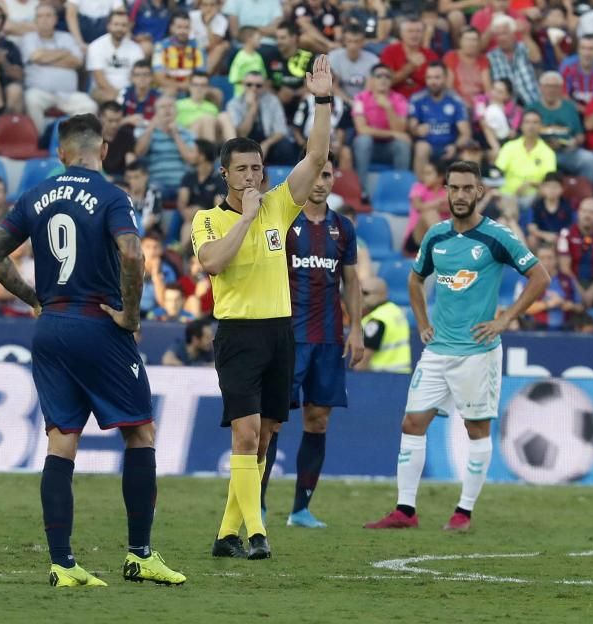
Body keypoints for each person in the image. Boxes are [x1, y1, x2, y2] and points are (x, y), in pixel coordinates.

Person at [0, 113, 188, 587]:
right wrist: (131, 316)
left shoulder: (35, 196)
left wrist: (34, 299)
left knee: (61, 441)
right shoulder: (113, 196)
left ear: (60, 153)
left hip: (51, 327)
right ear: (104, 150)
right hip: (98, 324)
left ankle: (63, 564)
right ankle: (140, 555)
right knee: (140, 432)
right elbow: (133, 253)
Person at [190, 55, 333, 560]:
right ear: (225, 174)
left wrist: (321, 102)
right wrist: (246, 220)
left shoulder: (278, 201)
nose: (251, 176)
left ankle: (227, 533)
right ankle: (256, 533)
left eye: (257, 168)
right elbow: (213, 264)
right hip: (239, 334)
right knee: (246, 432)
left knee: (266, 435)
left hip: (279, 331)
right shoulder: (207, 219)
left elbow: (316, 159)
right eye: (242, 169)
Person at [364, 160, 549, 532]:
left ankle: (463, 512)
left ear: (479, 192)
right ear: (445, 191)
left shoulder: (496, 237)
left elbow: (539, 277)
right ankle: (405, 510)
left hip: (477, 352)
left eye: (468, 188)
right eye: (454, 188)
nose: (460, 195)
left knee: (476, 429)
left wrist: (505, 318)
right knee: (412, 423)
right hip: (438, 350)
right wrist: (423, 323)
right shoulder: (436, 236)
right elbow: (416, 281)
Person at [259, 155, 364, 529]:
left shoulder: (343, 228)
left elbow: (351, 282)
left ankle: (301, 509)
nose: (320, 182)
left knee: (318, 421)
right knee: (270, 422)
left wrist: (357, 328)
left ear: (334, 179)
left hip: (328, 340)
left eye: (326, 175)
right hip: (287, 337)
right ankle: (258, 504)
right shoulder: (285, 223)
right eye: (315, 175)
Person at [21, 3, 98, 133]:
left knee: (90, 106)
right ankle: (42, 137)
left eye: (48, 16)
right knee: (30, 98)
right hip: (40, 92)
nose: (44, 19)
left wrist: (44, 58)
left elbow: (76, 61)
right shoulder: (28, 38)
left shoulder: (67, 37)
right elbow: (35, 57)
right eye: (40, 16)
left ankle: (73, 141)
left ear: (56, 19)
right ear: (35, 20)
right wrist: (64, 53)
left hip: (68, 94)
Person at [530, 71, 593, 201]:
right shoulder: (532, 107)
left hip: (565, 152)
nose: (551, 90)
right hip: (539, 153)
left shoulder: (569, 107)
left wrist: (572, 143)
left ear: (560, 89)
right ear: (541, 87)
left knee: (589, 159)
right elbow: (526, 133)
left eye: (554, 86)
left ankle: (585, 199)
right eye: (547, 86)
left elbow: (580, 135)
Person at [351, 64, 412, 187]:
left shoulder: (399, 99)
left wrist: (388, 108)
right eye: (379, 76)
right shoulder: (360, 98)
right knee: (363, 141)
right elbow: (361, 129)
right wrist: (393, 133)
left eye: (387, 77)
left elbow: (400, 130)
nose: (383, 80)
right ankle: (362, 190)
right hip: (369, 146)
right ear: (372, 80)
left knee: (403, 145)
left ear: (391, 81)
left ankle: (399, 189)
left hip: (389, 147)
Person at [409, 63, 471, 174]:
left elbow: (466, 134)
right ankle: (419, 189)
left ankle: (467, 189)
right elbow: (411, 127)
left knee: (470, 154)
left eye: (437, 77)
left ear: (445, 78)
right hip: (428, 146)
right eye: (429, 78)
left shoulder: (456, 100)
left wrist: (455, 146)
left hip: (450, 146)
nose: (433, 82)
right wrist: (417, 130)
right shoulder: (417, 99)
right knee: (421, 148)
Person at [226, 72, 298, 166]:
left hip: (268, 140)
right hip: (246, 142)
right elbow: (241, 134)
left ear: (264, 86)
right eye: (249, 85)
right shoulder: (234, 104)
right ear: (243, 85)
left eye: (258, 85)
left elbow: (281, 130)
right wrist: (252, 109)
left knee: (286, 146)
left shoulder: (272, 100)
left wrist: (266, 144)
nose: (254, 88)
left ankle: (283, 175)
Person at [133, 95, 198, 198]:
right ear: (156, 112)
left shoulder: (186, 133)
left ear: (177, 112)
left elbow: (192, 159)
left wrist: (176, 135)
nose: (167, 110)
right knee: (153, 190)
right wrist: (150, 128)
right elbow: (139, 152)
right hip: (157, 183)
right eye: (162, 107)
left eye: (171, 106)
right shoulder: (148, 132)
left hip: (182, 183)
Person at [515, 243, 583, 331]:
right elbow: (519, 309)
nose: (546, 262)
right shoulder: (525, 281)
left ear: (556, 260)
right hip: (534, 331)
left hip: (566, 331)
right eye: (542, 258)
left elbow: (581, 307)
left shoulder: (567, 280)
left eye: (550, 258)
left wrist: (571, 306)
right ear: (535, 259)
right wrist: (548, 304)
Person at [494, 109, 556, 205]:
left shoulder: (548, 152)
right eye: (527, 122)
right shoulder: (509, 146)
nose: (531, 126)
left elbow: (549, 182)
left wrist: (530, 184)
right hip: (507, 194)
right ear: (521, 126)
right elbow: (498, 171)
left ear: (541, 126)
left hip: (533, 197)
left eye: (535, 122)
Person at [86, 10, 145, 104]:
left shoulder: (136, 48)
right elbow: (99, 78)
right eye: (116, 24)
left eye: (123, 25)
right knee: (106, 96)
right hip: (102, 90)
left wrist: (127, 94)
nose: (120, 28)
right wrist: (118, 96)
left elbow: (137, 75)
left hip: (129, 91)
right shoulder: (96, 46)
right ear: (108, 26)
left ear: (128, 27)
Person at [355, 275, 411, 372]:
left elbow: (362, 362)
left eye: (365, 293)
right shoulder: (396, 310)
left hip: (381, 379)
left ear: (380, 294)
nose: (360, 297)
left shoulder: (376, 320)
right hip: (402, 376)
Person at [177, 139, 226, 250]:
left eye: (193, 151)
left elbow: (218, 207)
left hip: (210, 222)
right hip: (190, 220)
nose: (189, 154)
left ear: (202, 156)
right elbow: (182, 202)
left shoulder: (219, 179)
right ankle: (185, 256)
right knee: (188, 224)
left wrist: (200, 213)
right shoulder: (189, 177)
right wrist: (186, 212)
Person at [487, 15, 541, 108]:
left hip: (532, 101)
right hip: (507, 108)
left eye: (505, 33)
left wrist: (525, 35)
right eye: (498, 35)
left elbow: (536, 58)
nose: (501, 38)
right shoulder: (491, 57)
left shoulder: (524, 47)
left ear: (514, 34)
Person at [380, 16, 439, 99]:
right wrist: (411, 66)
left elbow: (438, 85)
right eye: (410, 31)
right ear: (401, 33)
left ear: (423, 34)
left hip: (424, 102)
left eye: (418, 31)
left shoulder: (430, 55)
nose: (414, 35)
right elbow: (385, 82)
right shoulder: (389, 52)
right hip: (395, 100)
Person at [152, 11, 204, 96]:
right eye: (179, 27)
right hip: (167, 88)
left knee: (215, 93)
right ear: (171, 28)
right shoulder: (160, 47)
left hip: (192, 88)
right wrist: (178, 86)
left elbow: (201, 74)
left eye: (186, 27)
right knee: (170, 92)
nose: (183, 31)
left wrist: (189, 86)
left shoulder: (197, 47)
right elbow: (159, 77)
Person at [330, 24, 380, 108]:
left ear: (363, 42)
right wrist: (349, 102)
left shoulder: (373, 61)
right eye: (349, 41)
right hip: (339, 101)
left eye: (357, 41)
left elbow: (369, 89)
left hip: (364, 103)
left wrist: (357, 104)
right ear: (344, 41)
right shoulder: (333, 57)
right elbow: (333, 87)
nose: (353, 46)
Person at [404, 161, 448, 256]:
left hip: (433, 243)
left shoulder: (447, 192)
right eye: (424, 173)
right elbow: (418, 206)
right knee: (430, 213)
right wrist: (439, 202)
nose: (424, 177)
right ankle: (446, 248)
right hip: (416, 240)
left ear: (440, 177)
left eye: (428, 173)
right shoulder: (418, 187)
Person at [474, 78, 522, 161]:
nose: (494, 94)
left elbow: (513, 131)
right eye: (494, 89)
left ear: (508, 96)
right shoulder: (481, 100)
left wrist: (511, 131)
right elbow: (482, 122)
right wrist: (495, 147)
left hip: (504, 139)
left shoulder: (515, 109)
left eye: (500, 92)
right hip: (482, 138)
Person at [559, 34, 593, 112]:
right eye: (583, 48)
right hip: (572, 111)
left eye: (591, 49)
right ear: (578, 49)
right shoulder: (567, 67)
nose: (586, 53)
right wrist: (584, 110)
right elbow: (563, 95)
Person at [443, 27, 491, 108]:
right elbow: (448, 87)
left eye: (474, 40)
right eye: (467, 39)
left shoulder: (483, 60)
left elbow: (487, 87)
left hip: (479, 103)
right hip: (457, 102)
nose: (471, 43)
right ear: (460, 41)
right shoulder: (451, 57)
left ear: (479, 42)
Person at [527, 171, 574, 248]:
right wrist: (545, 235)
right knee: (531, 239)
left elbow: (571, 227)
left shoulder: (567, 207)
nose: (551, 190)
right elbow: (531, 228)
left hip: (560, 239)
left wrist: (558, 237)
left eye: (555, 187)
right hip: (542, 238)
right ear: (543, 188)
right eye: (548, 186)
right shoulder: (536, 206)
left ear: (562, 189)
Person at [190, 0, 230, 74]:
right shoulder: (191, 16)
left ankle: (204, 75)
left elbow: (213, 45)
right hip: (192, 49)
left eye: (212, 5)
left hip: (209, 51)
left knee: (222, 46)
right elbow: (190, 41)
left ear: (217, 6)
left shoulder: (222, 20)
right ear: (200, 6)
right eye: (205, 5)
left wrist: (208, 24)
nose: (209, 8)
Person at [228, 26, 267, 97]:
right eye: (258, 39)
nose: (260, 41)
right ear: (249, 39)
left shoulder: (259, 57)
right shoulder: (240, 57)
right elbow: (233, 78)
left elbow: (263, 76)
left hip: (257, 95)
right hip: (241, 95)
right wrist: (250, 84)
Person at [118, 60, 160, 125]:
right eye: (137, 75)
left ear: (152, 77)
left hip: (151, 132)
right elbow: (115, 120)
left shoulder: (158, 96)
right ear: (132, 77)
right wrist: (128, 120)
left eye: (145, 74)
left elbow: (163, 122)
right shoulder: (124, 93)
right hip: (127, 131)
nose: (141, 78)